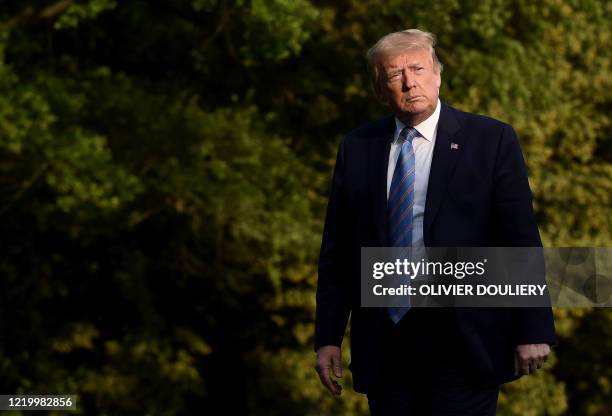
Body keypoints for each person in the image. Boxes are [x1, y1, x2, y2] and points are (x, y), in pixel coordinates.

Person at [314, 29, 556, 415]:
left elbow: (520, 237)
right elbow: (338, 252)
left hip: (465, 340)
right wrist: (327, 336)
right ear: (380, 88)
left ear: (438, 74)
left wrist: (533, 329)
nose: (410, 82)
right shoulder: (357, 147)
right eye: (395, 75)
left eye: (418, 68)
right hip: (385, 344)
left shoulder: (490, 139)